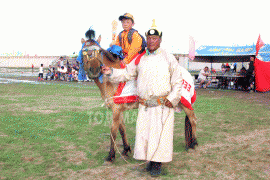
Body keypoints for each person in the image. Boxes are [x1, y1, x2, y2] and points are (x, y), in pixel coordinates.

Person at [102, 24, 183, 176]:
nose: (151, 41)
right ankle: (149, 160)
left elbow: (177, 81)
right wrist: (111, 71)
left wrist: (173, 98)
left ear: (159, 40)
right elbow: (127, 74)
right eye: (149, 38)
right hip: (144, 105)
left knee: (159, 135)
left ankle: (157, 164)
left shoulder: (168, 57)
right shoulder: (141, 59)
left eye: (154, 38)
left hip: (162, 104)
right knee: (145, 135)